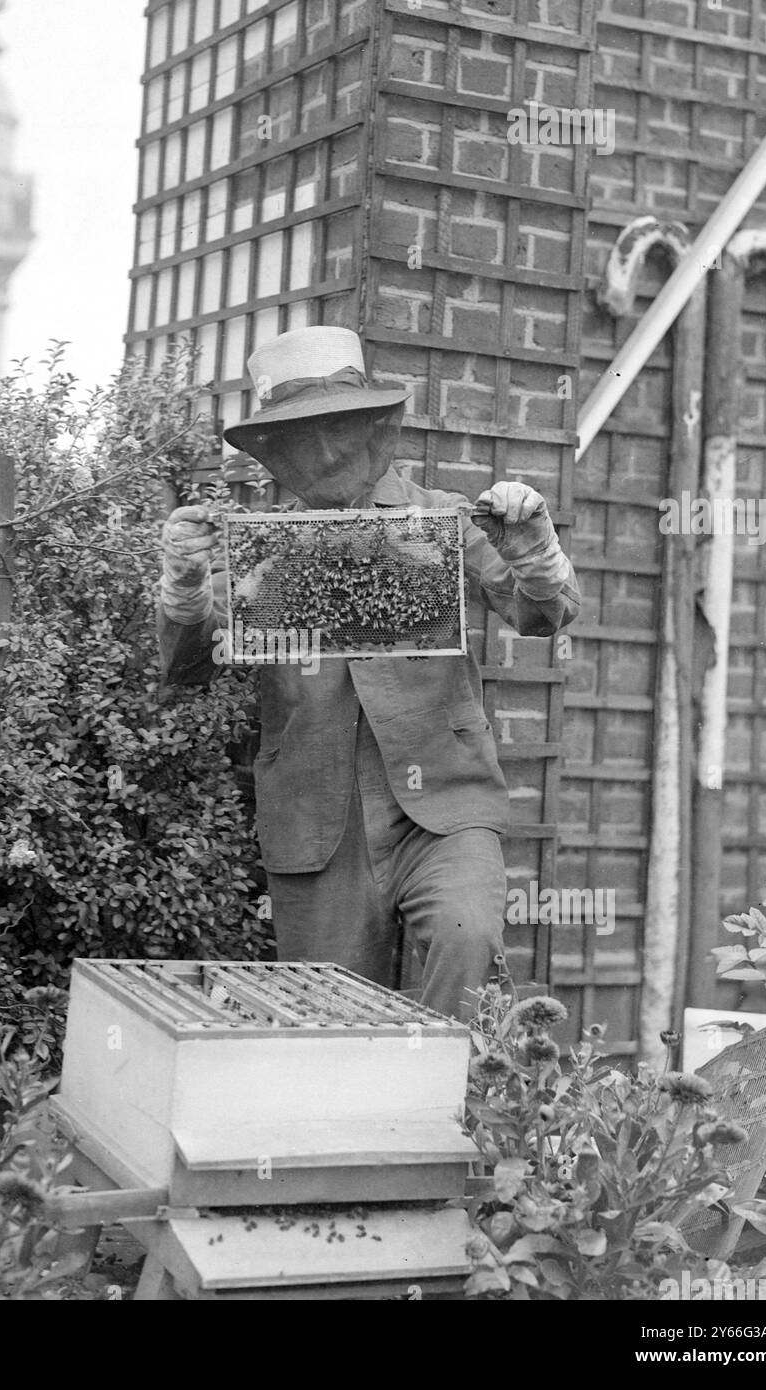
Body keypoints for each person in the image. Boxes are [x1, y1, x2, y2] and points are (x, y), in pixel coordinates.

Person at [156, 326, 580, 1020]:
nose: (325, 449)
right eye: (304, 433)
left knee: (466, 938)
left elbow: (545, 615)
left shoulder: (438, 519)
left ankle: (447, 1105)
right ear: (277, 446)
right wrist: (185, 583)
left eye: (341, 428)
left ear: (371, 423)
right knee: (327, 1022)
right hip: (316, 829)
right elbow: (186, 663)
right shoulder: (259, 548)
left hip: (443, 811)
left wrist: (534, 547)